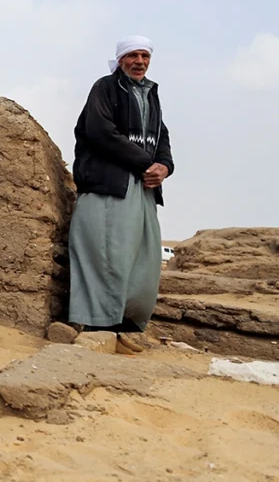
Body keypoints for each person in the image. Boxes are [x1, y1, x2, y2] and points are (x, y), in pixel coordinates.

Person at [67, 35, 174, 353]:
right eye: (133, 55)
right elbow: (100, 131)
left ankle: (125, 326)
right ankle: (99, 325)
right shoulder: (105, 87)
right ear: (121, 59)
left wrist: (164, 167)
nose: (139, 61)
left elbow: (162, 137)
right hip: (110, 186)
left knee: (144, 260)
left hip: (143, 189)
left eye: (145, 56)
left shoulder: (151, 94)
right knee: (107, 255)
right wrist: (145, 163)